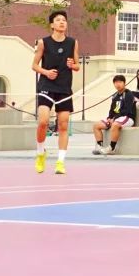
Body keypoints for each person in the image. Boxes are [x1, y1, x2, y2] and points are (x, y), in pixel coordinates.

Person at [31, 10, 80, 175]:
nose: (62, 22)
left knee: (63, 125)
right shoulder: (43, 42)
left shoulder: (73, 42)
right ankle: (40, 153)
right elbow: (34, 65)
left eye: (64, 20)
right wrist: (46, 72)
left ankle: (60, 162)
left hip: (64, 87)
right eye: (58, 20)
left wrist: (72, 65)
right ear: (52, 24)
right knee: (43, 121)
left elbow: (77, 66)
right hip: (46, 85)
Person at [92, 75, 136, 155]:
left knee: (115, 124)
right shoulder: (115, 95)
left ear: (124, 83)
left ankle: (112, 148)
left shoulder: (128, 94)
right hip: (116, 118)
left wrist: (114, 118)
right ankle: (99, 147)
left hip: (127, 117)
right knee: (96, 125)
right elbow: (112, 109)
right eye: (116, 82)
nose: (118, 84)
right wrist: (109, 117)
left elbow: (127, 110)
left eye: (120, 82)